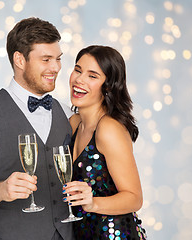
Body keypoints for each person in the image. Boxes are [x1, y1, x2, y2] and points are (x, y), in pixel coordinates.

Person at [0, 17, 75, 240]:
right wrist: (0, 190)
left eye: (58, 59)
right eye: (46, 59)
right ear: (20, 60)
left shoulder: (66, 112)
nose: (56, 67)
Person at [63, 45, 147, 239]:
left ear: (108, 86)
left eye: (92, 76)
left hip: (114, 235)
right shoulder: (74, 124)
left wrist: (93, 203)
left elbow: (134, 198)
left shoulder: (108, 129)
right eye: (78, 70)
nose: (79, 79)